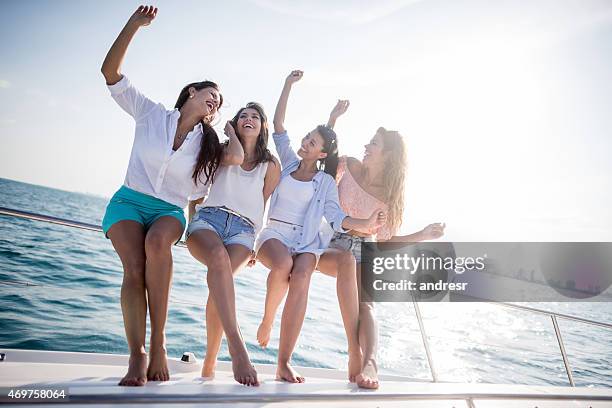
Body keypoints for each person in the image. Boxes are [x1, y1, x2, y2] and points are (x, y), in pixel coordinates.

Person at [100, 5, 243, 386]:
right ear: (192, 92)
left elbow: (237, 156)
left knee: (158, 242)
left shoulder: (210, 144)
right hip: (129, 200)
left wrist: (227, 127)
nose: (215, 102)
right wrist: (133, 25)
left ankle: (159, 341)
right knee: (133, 267)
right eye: (211, 95)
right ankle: (138, 354)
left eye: (219, 103)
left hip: (169, 211)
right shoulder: (150, 114)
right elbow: (110, 73)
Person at [254, 70, 387, 383]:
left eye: (311, 142)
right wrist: (287, 84)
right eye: (306, 138)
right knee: (285, 264)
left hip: (306, 243)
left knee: (305, 274)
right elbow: (278, 126)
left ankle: (284, 362)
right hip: (275, 234)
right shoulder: (287, 159)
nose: (304, 142)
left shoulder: (326, 181)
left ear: (321, 153)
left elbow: (338, 218)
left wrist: (366, 223)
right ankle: (268, 318)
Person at [318, 100, 446, 389]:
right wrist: (332, 118)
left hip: (366, 249)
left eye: (373, 144)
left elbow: (385, 240)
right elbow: (323, 161)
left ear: (387, 155)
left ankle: (371, 362)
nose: (366, 146)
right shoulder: (348, 166)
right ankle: (355, 352)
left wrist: (422, 235)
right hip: (334, 243)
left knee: (368, 304)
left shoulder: (387, 198)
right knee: (343, 267)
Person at [186, 102, 281, 386]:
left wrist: (254, 241)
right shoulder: (222, 152)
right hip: (209, 221)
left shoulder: (271, 165)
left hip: (243, 230)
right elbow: (197, 189)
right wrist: (193, 219)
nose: (248, 119)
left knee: (219, 285)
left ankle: (210, 364)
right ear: (235, 123)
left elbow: (262, 204)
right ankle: (237, 348)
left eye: (255, 116)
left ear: (263, 126)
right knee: (218, 260)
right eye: (242, 116)